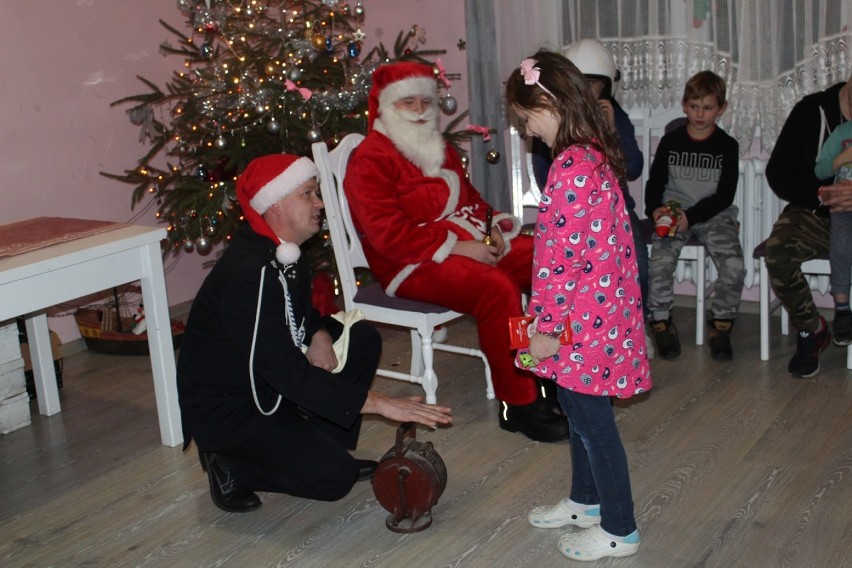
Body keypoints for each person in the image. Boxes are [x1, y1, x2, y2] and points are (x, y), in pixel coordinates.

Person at [176, 153, 453, 513]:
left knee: (362, 340)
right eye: (308, 193)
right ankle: (230, 463)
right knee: (333, 479)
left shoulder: (285, 253)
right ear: (274, 205)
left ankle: (314, 449)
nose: (319, 202)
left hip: (270, 387)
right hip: (233, 410)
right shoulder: (250, 275)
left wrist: (319, 334)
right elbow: (286, 373)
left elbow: (301, 315)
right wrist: (380, 403)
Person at [344, 61, 568, 443]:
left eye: (424, 102)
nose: (418, 111)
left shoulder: (438, 148)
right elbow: (387, 236)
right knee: (495, 289)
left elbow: (472, 201)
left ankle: (554, 371)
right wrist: (459, 248)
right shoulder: (369, 159)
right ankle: (518, 401)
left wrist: (493, 229)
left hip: (464, 243)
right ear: (385, 107)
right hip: (411, 263)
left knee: (548, 260)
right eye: (407, 102)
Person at [505, 50, 651, 562]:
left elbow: (563, 264)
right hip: (594, 315)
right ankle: (586, 501)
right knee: (576, 409)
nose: (528, 133)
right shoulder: (590, 153)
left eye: (528, 120)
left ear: (550, 104)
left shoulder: (571, 169)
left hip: (578, 322)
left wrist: (545, 330)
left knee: (592, 422)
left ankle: (619, 528)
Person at [531, 41, 651, 361]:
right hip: (572, 214)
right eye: (585, 83)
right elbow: (545, 175)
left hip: (616, 215)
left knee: (636, 260)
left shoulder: (615, 115)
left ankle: (633, 330)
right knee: (559, 273)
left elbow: (634, 167)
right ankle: (555, 341)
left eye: (597, 84)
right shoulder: (552, 122)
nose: (591, 91)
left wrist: (611, 133)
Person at [644, 70, 744, 361]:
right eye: (694, 106)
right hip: (674, 213)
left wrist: (693, 215)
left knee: (734, 264)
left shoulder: (727, 146)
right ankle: (660, 322)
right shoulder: (671, 141)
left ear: (721, 109)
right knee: (660, 260)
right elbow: (655, 183)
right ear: (684, 105)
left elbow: (725, 195)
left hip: (715, 214)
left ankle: (721, 326)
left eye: (708, 107)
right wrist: (655, 210)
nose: (700, 114)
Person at [765, 73, 852, 377]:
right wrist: (820, 192)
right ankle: (812, 328)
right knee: (777, 253)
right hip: (814, 211)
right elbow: (777, 172)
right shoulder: (811, 110)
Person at [814, 119, 852, 346]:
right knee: (840, 244)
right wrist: (840, 160)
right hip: (843, 208)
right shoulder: (842, 133)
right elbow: (820, 169)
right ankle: (842, 308)